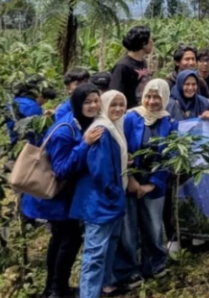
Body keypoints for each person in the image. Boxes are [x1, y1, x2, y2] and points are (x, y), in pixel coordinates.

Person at [22, 84, 104, 298]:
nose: (93, 105)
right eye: (87, 102)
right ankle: (57, 289)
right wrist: (84, 144)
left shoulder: (82, 123)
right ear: (77, 103)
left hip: (64, 196)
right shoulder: (66, 129)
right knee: (70, 239)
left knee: (60, 239)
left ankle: (54, 288)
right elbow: (61, 170)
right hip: (54, 197)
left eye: (96, 100)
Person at [112, 80, 176, 291]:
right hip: (128, 182)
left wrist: (152, 185)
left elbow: (170, 157)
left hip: (153, 184)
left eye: (157, 97)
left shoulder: (169, 122)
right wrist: (130, 179)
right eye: (148, 96)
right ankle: (128, 270)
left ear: (164, 98)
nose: (151, 102)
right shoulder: (130, 117)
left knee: (153, 226)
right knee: (128, 229)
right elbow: (122, 149)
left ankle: (154, 264)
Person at [70, 90, 127, 298]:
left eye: (122, 104)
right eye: (113, 105)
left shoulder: (114, 127)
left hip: (109, 200)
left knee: (108, 245)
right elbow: (100, 170)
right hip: (101, 201)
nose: (118, 109)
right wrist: (113, 192)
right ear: (105, 106)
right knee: (95, 254)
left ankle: (102, 288)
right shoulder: (102, 130)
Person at [5, 75, 56, 145]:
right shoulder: (33, 107)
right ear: (40, 94)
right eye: (46, 99)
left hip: (15, 143)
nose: (45, 102)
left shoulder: (12, 102)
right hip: (29, 148)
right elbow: (42, 134)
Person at [110, 25, 152, 109]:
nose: (152, 43)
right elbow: (115, 94)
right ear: (144, 43)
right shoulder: (122, 67)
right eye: (151, 39)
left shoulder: (142, 62)